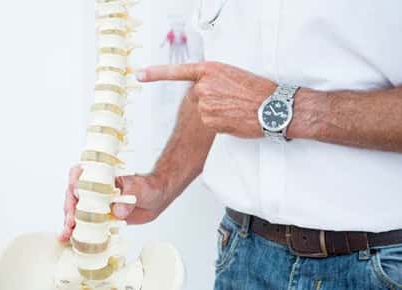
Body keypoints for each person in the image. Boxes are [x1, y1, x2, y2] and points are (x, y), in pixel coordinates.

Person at [61, 1, 402, 289]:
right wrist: (160, 183)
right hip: (242, 254)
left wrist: (280, 108)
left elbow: (249, 102)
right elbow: (216, 87)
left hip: (379, 265)